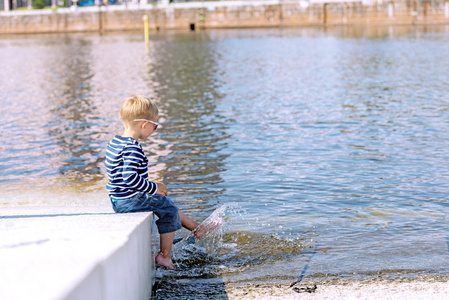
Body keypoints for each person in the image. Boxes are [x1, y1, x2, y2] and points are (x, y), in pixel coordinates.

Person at [105, 95, 212, 269]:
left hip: (117, 199)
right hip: (129, 200)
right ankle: (165, 256)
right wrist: (154, 187)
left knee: (163, 202)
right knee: (168, 209)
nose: (154, 130)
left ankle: (195, 227)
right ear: (144, 124)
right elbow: (129, 178)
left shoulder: (115, 142)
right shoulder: (133, 147)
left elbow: (118, 175)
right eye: (155, 126)